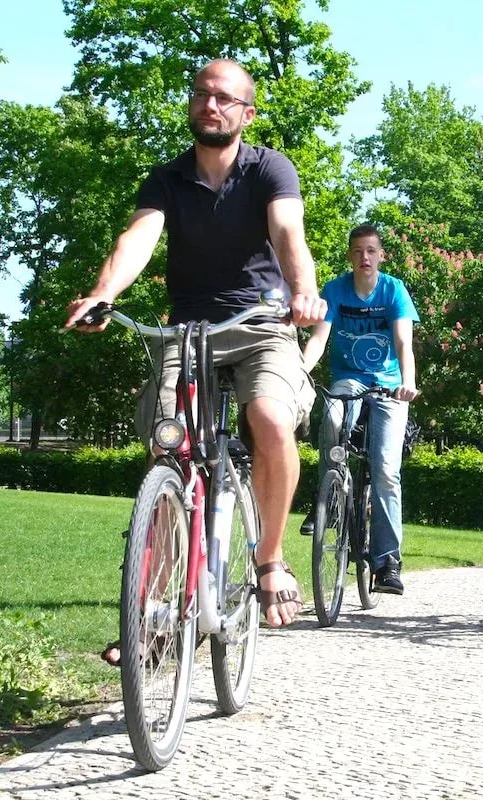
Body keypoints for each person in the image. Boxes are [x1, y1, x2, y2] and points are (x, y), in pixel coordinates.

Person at [63, 59, 325, 658]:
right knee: (168, 451)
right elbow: (138, 239)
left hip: (260, 322)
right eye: (201, 95)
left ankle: (270, 561)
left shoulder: (269, 169)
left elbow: (290, 234)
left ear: (246, 113)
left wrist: (302, 290)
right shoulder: (166, 180)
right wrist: (105, 294)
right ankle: (155, 618)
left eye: (224, 98)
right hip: (188, 330)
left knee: (269, 419)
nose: (211, 105)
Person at [300, 224, 420, 594]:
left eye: (371, 250)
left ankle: (387, 562)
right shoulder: (335, 290)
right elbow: (320, 338)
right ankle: (331, 501)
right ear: (350, 255)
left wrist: (408, 382)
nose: (364, 257)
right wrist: (299, 372)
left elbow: (403, 343)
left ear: (380, 255)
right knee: (333, 418)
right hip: (348, 379)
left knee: (385, 470)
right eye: (358, 251)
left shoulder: (393, 290)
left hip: (388, 384)